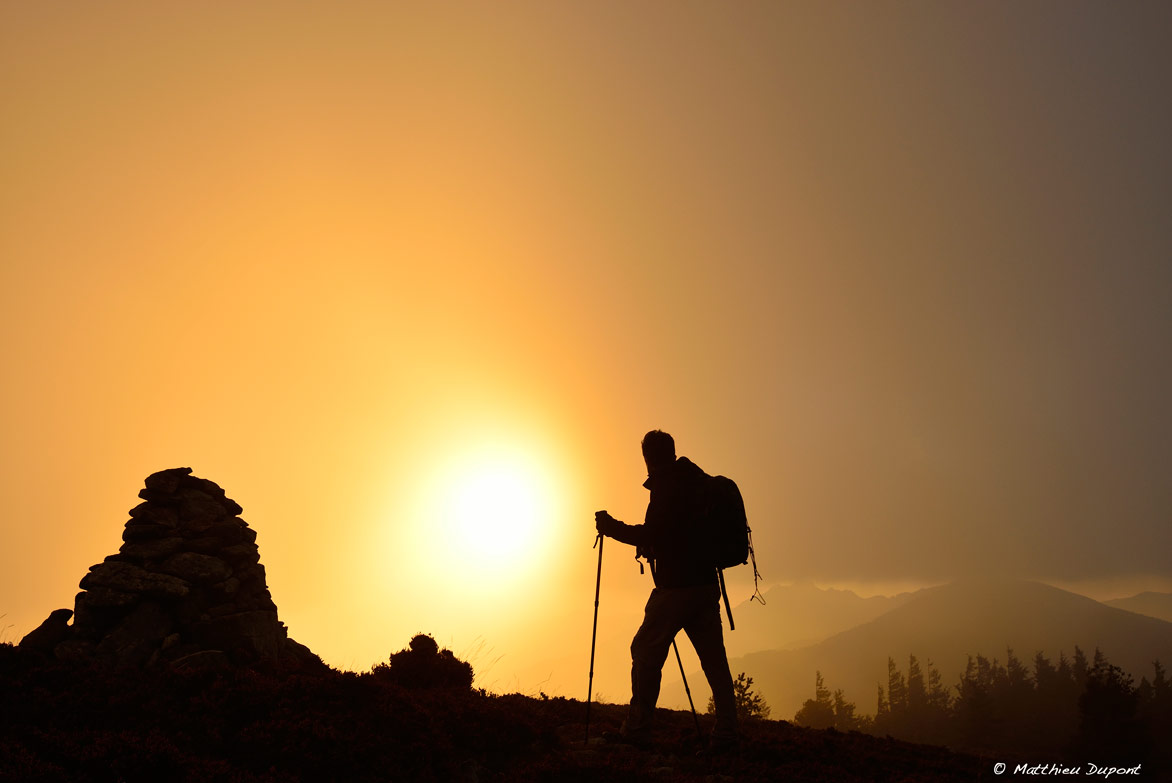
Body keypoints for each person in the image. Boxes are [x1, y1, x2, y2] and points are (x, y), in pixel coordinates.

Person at [594, 430, 738, 751]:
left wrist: (611, 527)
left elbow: (653, 534)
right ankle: (728, 733)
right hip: (705, 585)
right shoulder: (695, 480)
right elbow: (674, 534)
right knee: (714, 661)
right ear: (672, 452)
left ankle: (637, 730)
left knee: (645, 651)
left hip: (676, 588)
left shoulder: (666, 487)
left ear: (648, 457)